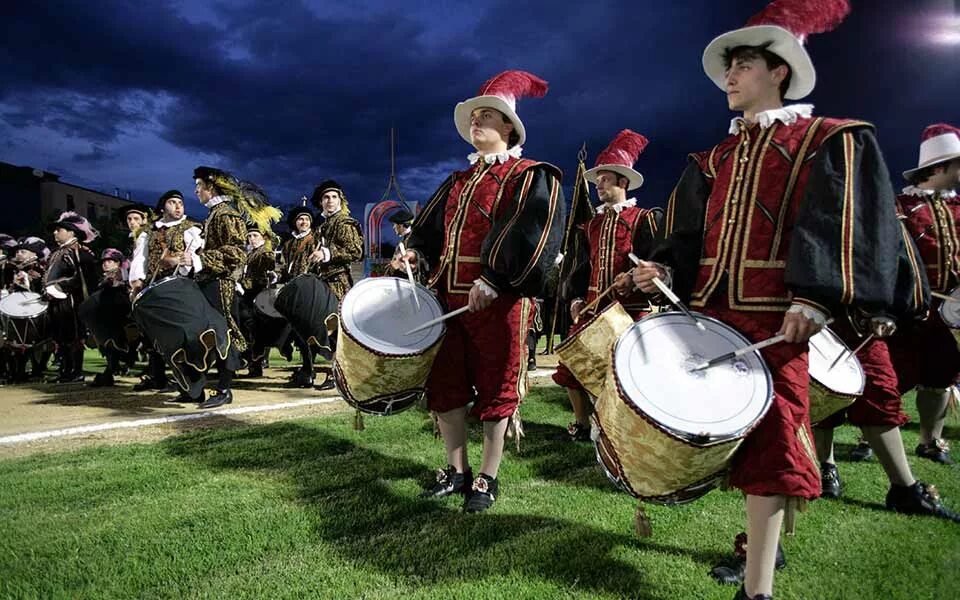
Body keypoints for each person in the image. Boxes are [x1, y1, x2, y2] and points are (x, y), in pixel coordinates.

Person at [630, 2, 951, 597]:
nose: (729, 76)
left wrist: (817, 297)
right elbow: (689, 236)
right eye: (728, 67)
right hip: (713, 317)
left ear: (779, 71)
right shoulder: (717, 157)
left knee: (776, 443)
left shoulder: (828, 139)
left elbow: (844, 223)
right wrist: (660, 267)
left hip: (781, 321)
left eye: (743, 64)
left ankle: (757, 586)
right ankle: (761, 553)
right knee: (729, 440)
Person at [396, 69, 565, 512]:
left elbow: (533, 235)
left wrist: (494, 280)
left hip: (500, 305)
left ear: (508, 128)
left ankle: (488, 477)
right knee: (446, 385)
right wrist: (414, 252)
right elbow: (429, 229)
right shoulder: (456, 181)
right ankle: (457, 470)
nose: (477, 122)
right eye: (474, 116)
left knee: (496, 387)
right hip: (448, 301)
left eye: (487, 115)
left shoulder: (531, 175)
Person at [552, 129, 662, 441]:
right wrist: (573, 297)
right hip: (591, 311)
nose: (598, 184)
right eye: (597, 179)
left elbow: (654, 263)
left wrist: (634, 280)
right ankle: (582, 423)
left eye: (605, 179)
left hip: (628, 314)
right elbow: (577, 268)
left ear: (622, 183)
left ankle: (619, 429)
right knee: (571, 367)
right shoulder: (590, 226)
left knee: (623, 376)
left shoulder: (644, 219)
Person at [890, 123, 960, 464]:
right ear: (941, 166)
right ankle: (869, 433)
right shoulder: (900, 206)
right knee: (891, 378)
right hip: (907, 309)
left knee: (941, 377)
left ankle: (930, 440)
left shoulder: (959, 208)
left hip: (950, 315)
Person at [193, 167, 280, 407]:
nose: (196, 190)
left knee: (224, 332)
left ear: (210, 188)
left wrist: (198, 259)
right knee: (210, 332)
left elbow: (234, 254)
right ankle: (198, 385)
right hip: (210, 282)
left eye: (199, 186)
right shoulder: (215, 214)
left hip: (221, 284)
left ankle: (224, 388)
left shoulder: (226, 215)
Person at [128, 190, 202, 393]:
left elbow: (198, 255)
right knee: (153, 334)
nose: (178, 206)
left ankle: (186, 378)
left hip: (181, 287)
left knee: (179, 333)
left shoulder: (192, 229)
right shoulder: (148, 232)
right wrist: (136, 281)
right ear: (163, 208)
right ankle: (156, 376)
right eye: (172, 202)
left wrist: (181, 261)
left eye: (181, 202)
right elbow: (140, 258)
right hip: (154, 287)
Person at [44, 212, 98, 383]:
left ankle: (76, 371)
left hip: (72, 302)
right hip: (57, 302)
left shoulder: (80, 252)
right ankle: (66, 370)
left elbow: (84, 278)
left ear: (71, 232)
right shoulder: (58, 252)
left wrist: (60, 286)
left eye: (59, 229)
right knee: (60, 335)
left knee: (73, 335)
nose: (55, 233)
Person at [310, 180, 364, 301]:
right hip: (322, 282)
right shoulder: (323, 225)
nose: (330, 200)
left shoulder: (344, 222)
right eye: (326, 197)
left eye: (334, 197)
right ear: (321, 202)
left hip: (338, 284)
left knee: (336, 318)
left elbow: (355, 251)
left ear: (340, 200)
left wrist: (326, 253)